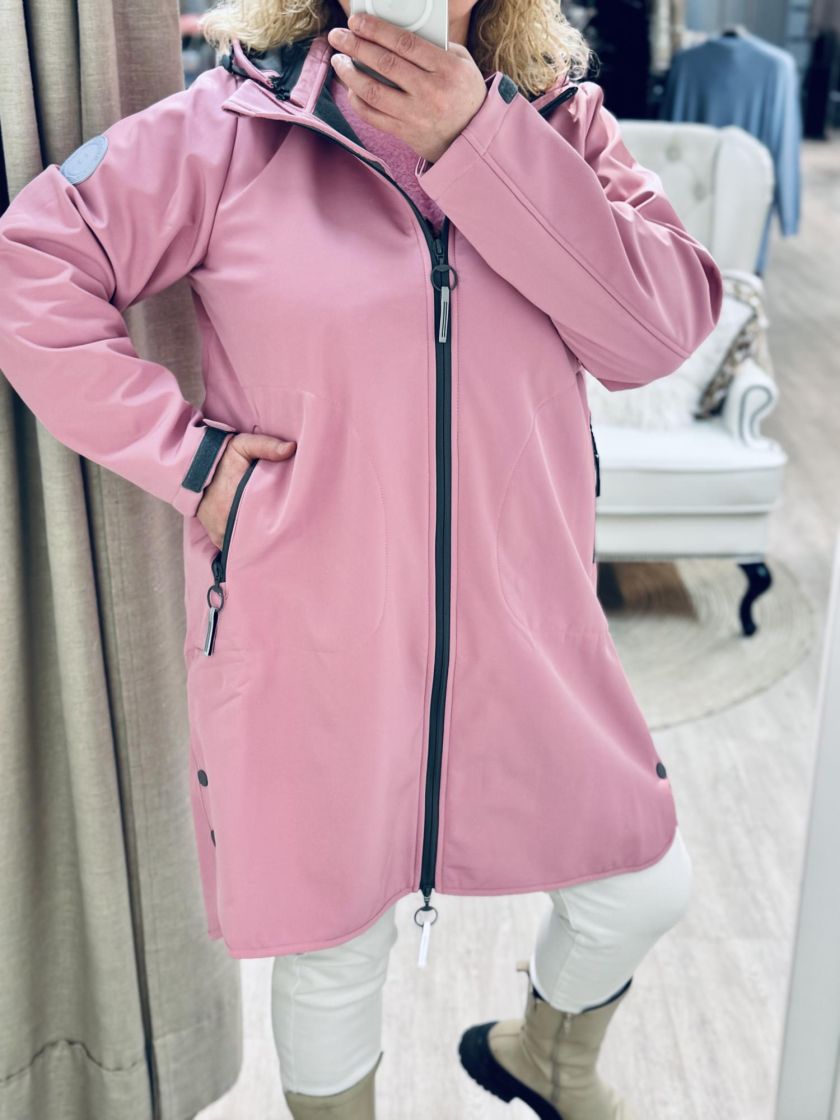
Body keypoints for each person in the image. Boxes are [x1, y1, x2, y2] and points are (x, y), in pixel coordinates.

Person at [0, 0, 722, 1116]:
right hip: (314, 630)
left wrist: (480, 139)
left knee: (641, 882)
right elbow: (31, 262)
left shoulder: (565, 129)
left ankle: (547, 1058)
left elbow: (659, 331)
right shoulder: (230, 129)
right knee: (336, 946)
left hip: (525, 621)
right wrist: (189, 458)